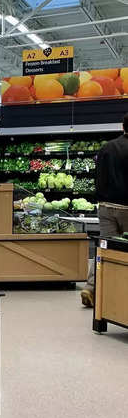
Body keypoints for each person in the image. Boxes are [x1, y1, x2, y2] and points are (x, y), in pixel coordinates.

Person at [81, 113, 128, 307]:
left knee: (104, 248)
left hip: (106, 207)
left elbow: (98, 176)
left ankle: (91, 287)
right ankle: (119, 293)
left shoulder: (107, 147)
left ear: (122, 126)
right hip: (127, 208)